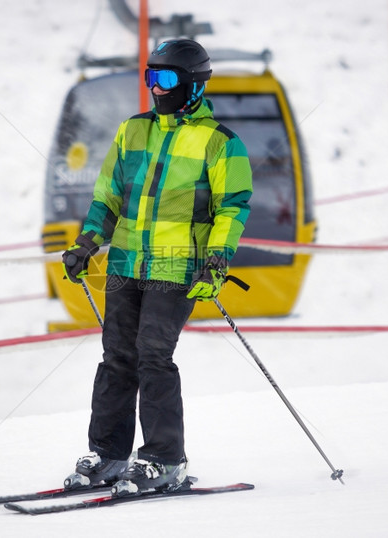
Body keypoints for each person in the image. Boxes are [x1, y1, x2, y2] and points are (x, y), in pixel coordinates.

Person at [61, 38, 253, 497]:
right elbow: (108, 195)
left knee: (152, 355)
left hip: (179, 267)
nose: (156, 87)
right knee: (117, 356)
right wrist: (88, 242)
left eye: (165, 78)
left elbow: (233, 208)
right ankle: (108, 454)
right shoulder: (133, 130)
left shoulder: (221, 143)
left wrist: (216, 262)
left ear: (191, 84)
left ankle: (165, 459)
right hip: (126, 261)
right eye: (150, 77)